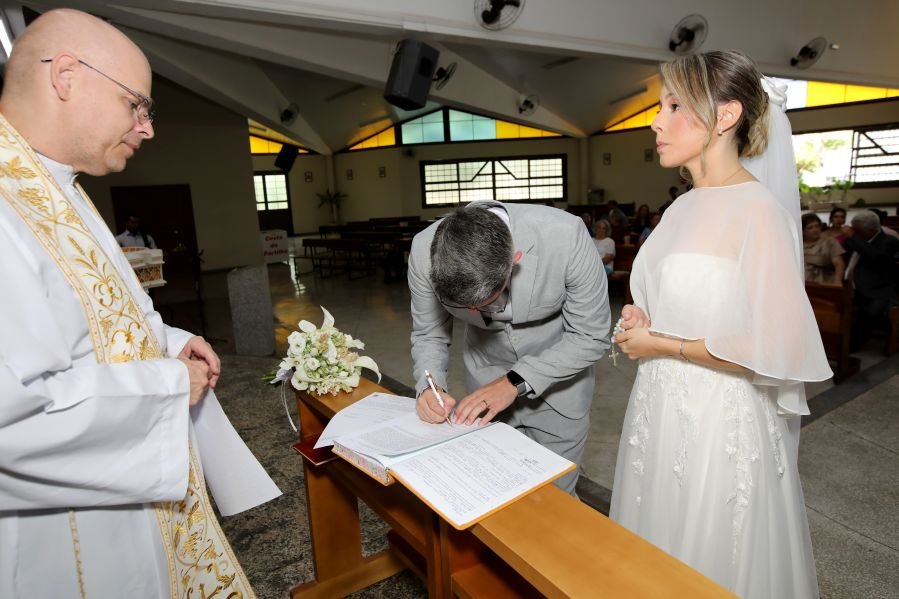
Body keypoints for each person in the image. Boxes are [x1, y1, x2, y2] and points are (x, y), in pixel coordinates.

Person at [0, 9, 279, 598]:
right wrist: (168, 385)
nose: (147, 127)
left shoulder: (58, 188)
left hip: (118, 490)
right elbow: (12, 415)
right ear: (67, 76)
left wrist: (170, 340)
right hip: (61, 526)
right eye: (137, 104)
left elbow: (96, 315)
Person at [611, 50, 831, 598]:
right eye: (658, 106)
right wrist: (644, 316)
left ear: (726, 116)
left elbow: (772, 345)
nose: (656, 121)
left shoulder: (759, 212)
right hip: (659, 408)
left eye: (674, 105)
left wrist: (659, 342)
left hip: (719, 419)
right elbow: (685, 302)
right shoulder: (681, 207)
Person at [408, 200, 611, 495]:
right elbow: (429, 333)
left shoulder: (565, 236)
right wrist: (429, 386)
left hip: (560, 388)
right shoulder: (423, 252)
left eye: (488, 301)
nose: (481, 313)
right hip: (482, 385)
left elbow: (591, 335)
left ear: (514, 260)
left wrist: (513, 381)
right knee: (495, 496)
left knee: (556, 504)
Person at [842, 210, 899, 350]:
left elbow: (876, 256)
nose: (853, 232)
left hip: (878, 289)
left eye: (857, 230)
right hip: (850, 286)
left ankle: (851, 346)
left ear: (869, 230)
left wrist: (854, 238)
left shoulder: (888, 242)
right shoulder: (855, 240)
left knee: (871, 311)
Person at [802, 212, 846, 284]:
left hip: (825, 282)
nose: (815, 230)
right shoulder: (798, 245)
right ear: (803, 231)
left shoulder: (830, 242)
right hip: (802, 283)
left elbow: (839, 264)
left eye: (817, 226)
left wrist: (838, 281)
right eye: (810, 228)